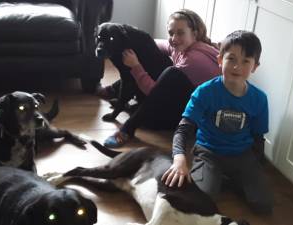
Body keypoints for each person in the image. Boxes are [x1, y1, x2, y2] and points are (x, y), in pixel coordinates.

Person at [161, 30, 273, 214]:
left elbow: (258, 137)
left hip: (242, 154)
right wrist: (179, 159)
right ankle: (217, 177)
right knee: (202, 200)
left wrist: (256, 168)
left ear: (254, 66)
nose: (237, 67)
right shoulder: (204, 92)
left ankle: (225, 179)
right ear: (220, 60)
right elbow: (183, 129)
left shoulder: (259, 99)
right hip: (209, 151)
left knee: (263, 206)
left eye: (245, 61)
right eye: (232, 59)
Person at [98, 9, 220, 148]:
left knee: (169, 74)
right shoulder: (186, 45)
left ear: (195, 33)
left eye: (180, 33)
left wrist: (135, 65)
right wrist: (135, 39)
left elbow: (154, 92)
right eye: (171, 33)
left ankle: (128, 129)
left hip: (201, 119)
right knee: (154, 62)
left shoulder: (193, 60)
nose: (174, 38)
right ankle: (116, 91)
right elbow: (154, 43)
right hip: (191, 101)